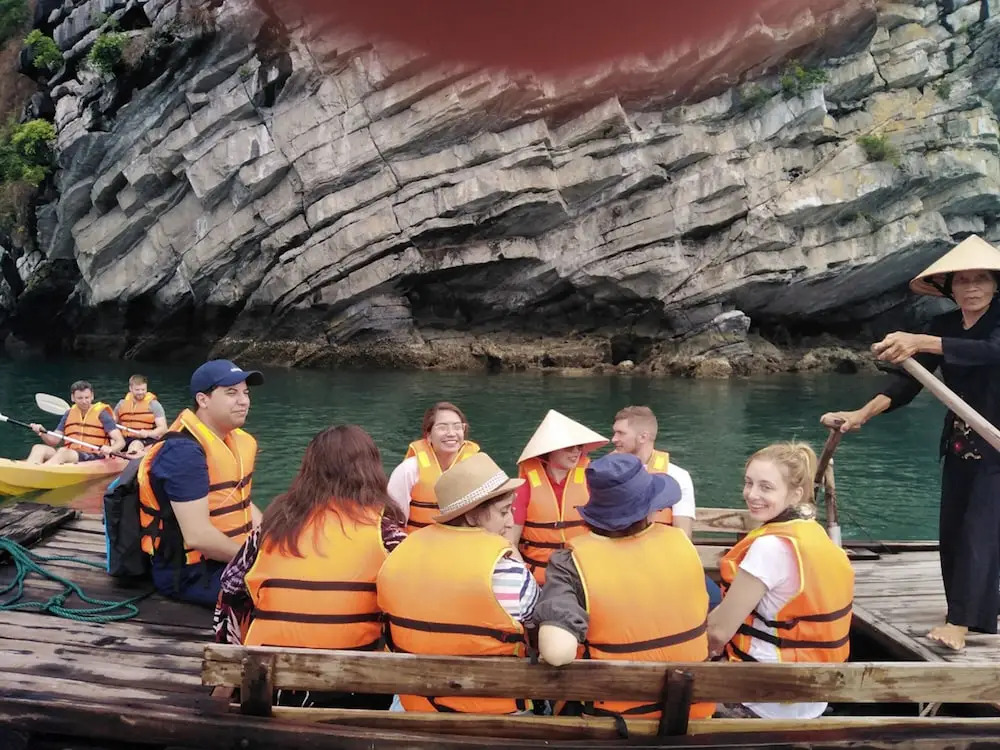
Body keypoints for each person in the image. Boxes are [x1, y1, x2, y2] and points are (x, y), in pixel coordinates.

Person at [820, 234, 1000, 651]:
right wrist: (861, 414)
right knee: (954, 529)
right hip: (962, 441)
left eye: (981, 279)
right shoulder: (945, 326)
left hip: (997, 443)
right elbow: (907, 382)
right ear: (949, 287)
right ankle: (975, 613)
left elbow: (992, 351)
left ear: (994, 284)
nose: (972, 287)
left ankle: (960, 623)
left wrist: (919, 341)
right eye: (963, 280)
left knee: (981, 530)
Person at [214, 425, 405, 708]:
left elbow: (230, 593)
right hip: (354, 690)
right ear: (372, 470)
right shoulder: (388, 535)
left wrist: (228, 673)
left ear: (308, 470)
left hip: (268, 685)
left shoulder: (271, 528)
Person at [533, 452, 715, 722]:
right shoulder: (681, 544)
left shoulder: (570, 563)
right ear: (650, 508)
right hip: (692, 716)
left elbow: (557, 653)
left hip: (612, 724)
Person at [378, 452, 539, 714]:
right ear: (472, 516)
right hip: (496, 719)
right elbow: (538, 633)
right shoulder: (510, 574)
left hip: (416, 711)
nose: (511, 522)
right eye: (503, 511)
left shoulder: (397, 559)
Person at [707, 442, 853, 720]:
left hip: (764, 699)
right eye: (748, 483)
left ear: (795, 494)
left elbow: (717, 632)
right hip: (811, 697)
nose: (752, 494)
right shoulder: (815, 535)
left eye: (766, 487)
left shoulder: (770, 547)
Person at [137, 360, 264, 606]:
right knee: (286, 592)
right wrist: (257, 562)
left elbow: (243, 502)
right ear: (203, 400)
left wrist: (274, 543)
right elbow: (198, 536)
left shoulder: (235, 440)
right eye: (231, 393)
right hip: (192, 573)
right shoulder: (183, 453)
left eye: (246, 393)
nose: (244, 401)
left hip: (229, 558)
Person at [512, 409, 608, 584]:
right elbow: (510, 542)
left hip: (582, 574)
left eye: (580, 446)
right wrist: (526, 580)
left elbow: (607, 530)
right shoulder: (525, 486)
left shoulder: (591, 479)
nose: (576, 452)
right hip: (539, 579)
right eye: (569, 447)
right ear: (550, 449)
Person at [387, 401, 480, 533]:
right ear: (429, 435)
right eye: (442, 427)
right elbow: (392, 522)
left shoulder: (478, 467)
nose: (451, 433)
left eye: (457, 427)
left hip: (463, 542)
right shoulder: (408, 470)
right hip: (419, 543)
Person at [610, 405, 696, 537]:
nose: (614, 439)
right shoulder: (605, 473)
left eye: (621, 433)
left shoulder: (678, 476)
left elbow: (683, 535)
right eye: (615, 433)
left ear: (643, 437)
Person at [26, 380, 125, 465]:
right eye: (80, 398)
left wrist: (111, 449)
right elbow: (53, 441)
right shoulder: (69, 414)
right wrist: (42, 432)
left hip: (93, 455)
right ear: (73, 398)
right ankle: (29, 471)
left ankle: (43, 471)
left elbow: (121, 442)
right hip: (71, 454)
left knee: (63, 451)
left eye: (87, 397)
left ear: (92, 396)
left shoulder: (102, 414)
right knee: (38, 448)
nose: (84, 401)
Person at [114, 374, 168, 456]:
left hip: (145, 439)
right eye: (137, 390)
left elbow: (163, 428)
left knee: (135, 445)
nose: (140, 392)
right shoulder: (121, 404)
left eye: (143, 389)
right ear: (130, 388)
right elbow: (112, 423)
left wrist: (148, 433)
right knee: (112, 443)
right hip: (124, 438)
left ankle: (135, 455)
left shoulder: (154, 405)